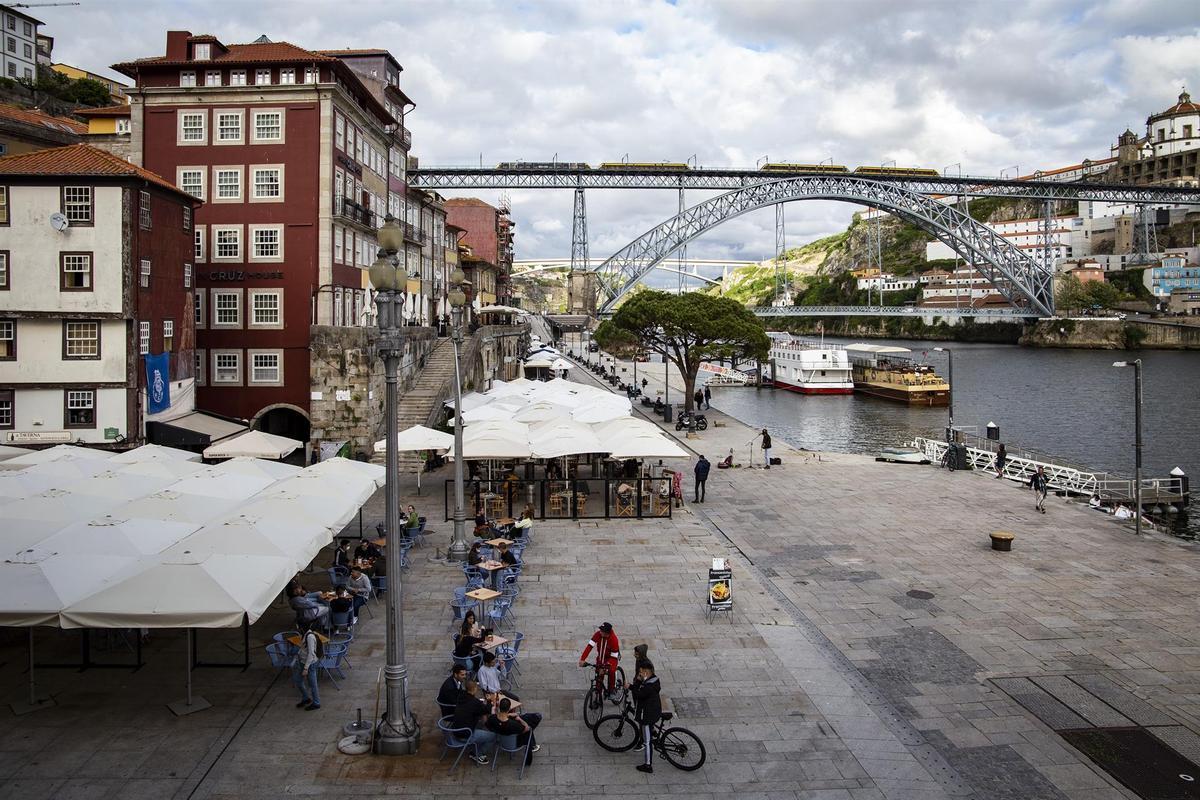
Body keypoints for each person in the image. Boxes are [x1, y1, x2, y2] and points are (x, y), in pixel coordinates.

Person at [485, 697, 541, 765]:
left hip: (501, 740)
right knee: (531, 724)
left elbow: (489, 721)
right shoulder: (514, 725)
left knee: (527, 717)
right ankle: (532, 746)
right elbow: (526, 728)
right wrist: (519, 718)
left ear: (499, 707)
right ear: (509, 709)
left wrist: (507, 715)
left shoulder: (492, 719)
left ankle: (533, 744)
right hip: (515, 743)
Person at [630, 658, 662, 773]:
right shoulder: (654, 680)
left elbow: (639, 694)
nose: (639, 674)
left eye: (640, 672)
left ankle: (648, 765)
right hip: (655, 710)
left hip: (647, 716)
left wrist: (636, 682)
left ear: (646, 672)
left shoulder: (647, 686)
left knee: (648, 741)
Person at [450, 682, 493, 765]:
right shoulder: (474, 702)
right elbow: (487, 710)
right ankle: (477, 754)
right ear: (474, 689)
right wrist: (489, 700)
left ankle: (478, 742)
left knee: (481, 720)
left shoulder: (461, 697)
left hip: (455, 729)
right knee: (493, 736)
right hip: (466, 734)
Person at [579, 622, 621, 700]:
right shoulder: (598, 634)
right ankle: (598, 691)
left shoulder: (614, 639)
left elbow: (614, 657)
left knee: (611, 671)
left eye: (602, 631)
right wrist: (582, 659)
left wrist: (605, 667)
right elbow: (589, 646)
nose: (600, 632)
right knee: (598, 674)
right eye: (600, 630)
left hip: (611, 658)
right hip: (601, 658)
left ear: (607, 633)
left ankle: (612, 690)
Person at [292, 622, 322, 711]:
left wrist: (306, 668)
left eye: (298, 627)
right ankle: (306, 698)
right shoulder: (305, 635)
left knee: (312, 684)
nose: (297, 629)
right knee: (298, 680)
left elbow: (311, 654)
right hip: (302, 661)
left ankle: (316, 703)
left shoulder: (310, 637)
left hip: (310, 664)